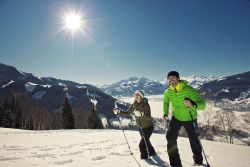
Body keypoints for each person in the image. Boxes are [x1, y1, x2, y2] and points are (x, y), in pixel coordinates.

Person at [163, 71, 206, 167]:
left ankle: (198, 160)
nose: (171, 80)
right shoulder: (168, 92)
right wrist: (165, 113)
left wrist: (192, 104)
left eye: (173, 78)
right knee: (170, 138)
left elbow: (203, 105)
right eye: (169, 79)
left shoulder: (188, 90)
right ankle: (175, 164)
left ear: (178, 78)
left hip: (190, 118)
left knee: (194, 140)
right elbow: (166, 102)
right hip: (176, 118)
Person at [113, 90, 157, 159]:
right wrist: (119, 111)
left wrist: (141, 114)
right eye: (135, 94)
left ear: (141, 96)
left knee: (141, 145)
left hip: (148, 127)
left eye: (138, 95)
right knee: (146, 142)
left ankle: (145, 158)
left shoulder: (146, 105)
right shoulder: (134, 105)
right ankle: (153, 153)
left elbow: (149, 117)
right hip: (140, 127)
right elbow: (127, 113)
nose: (136, 96)